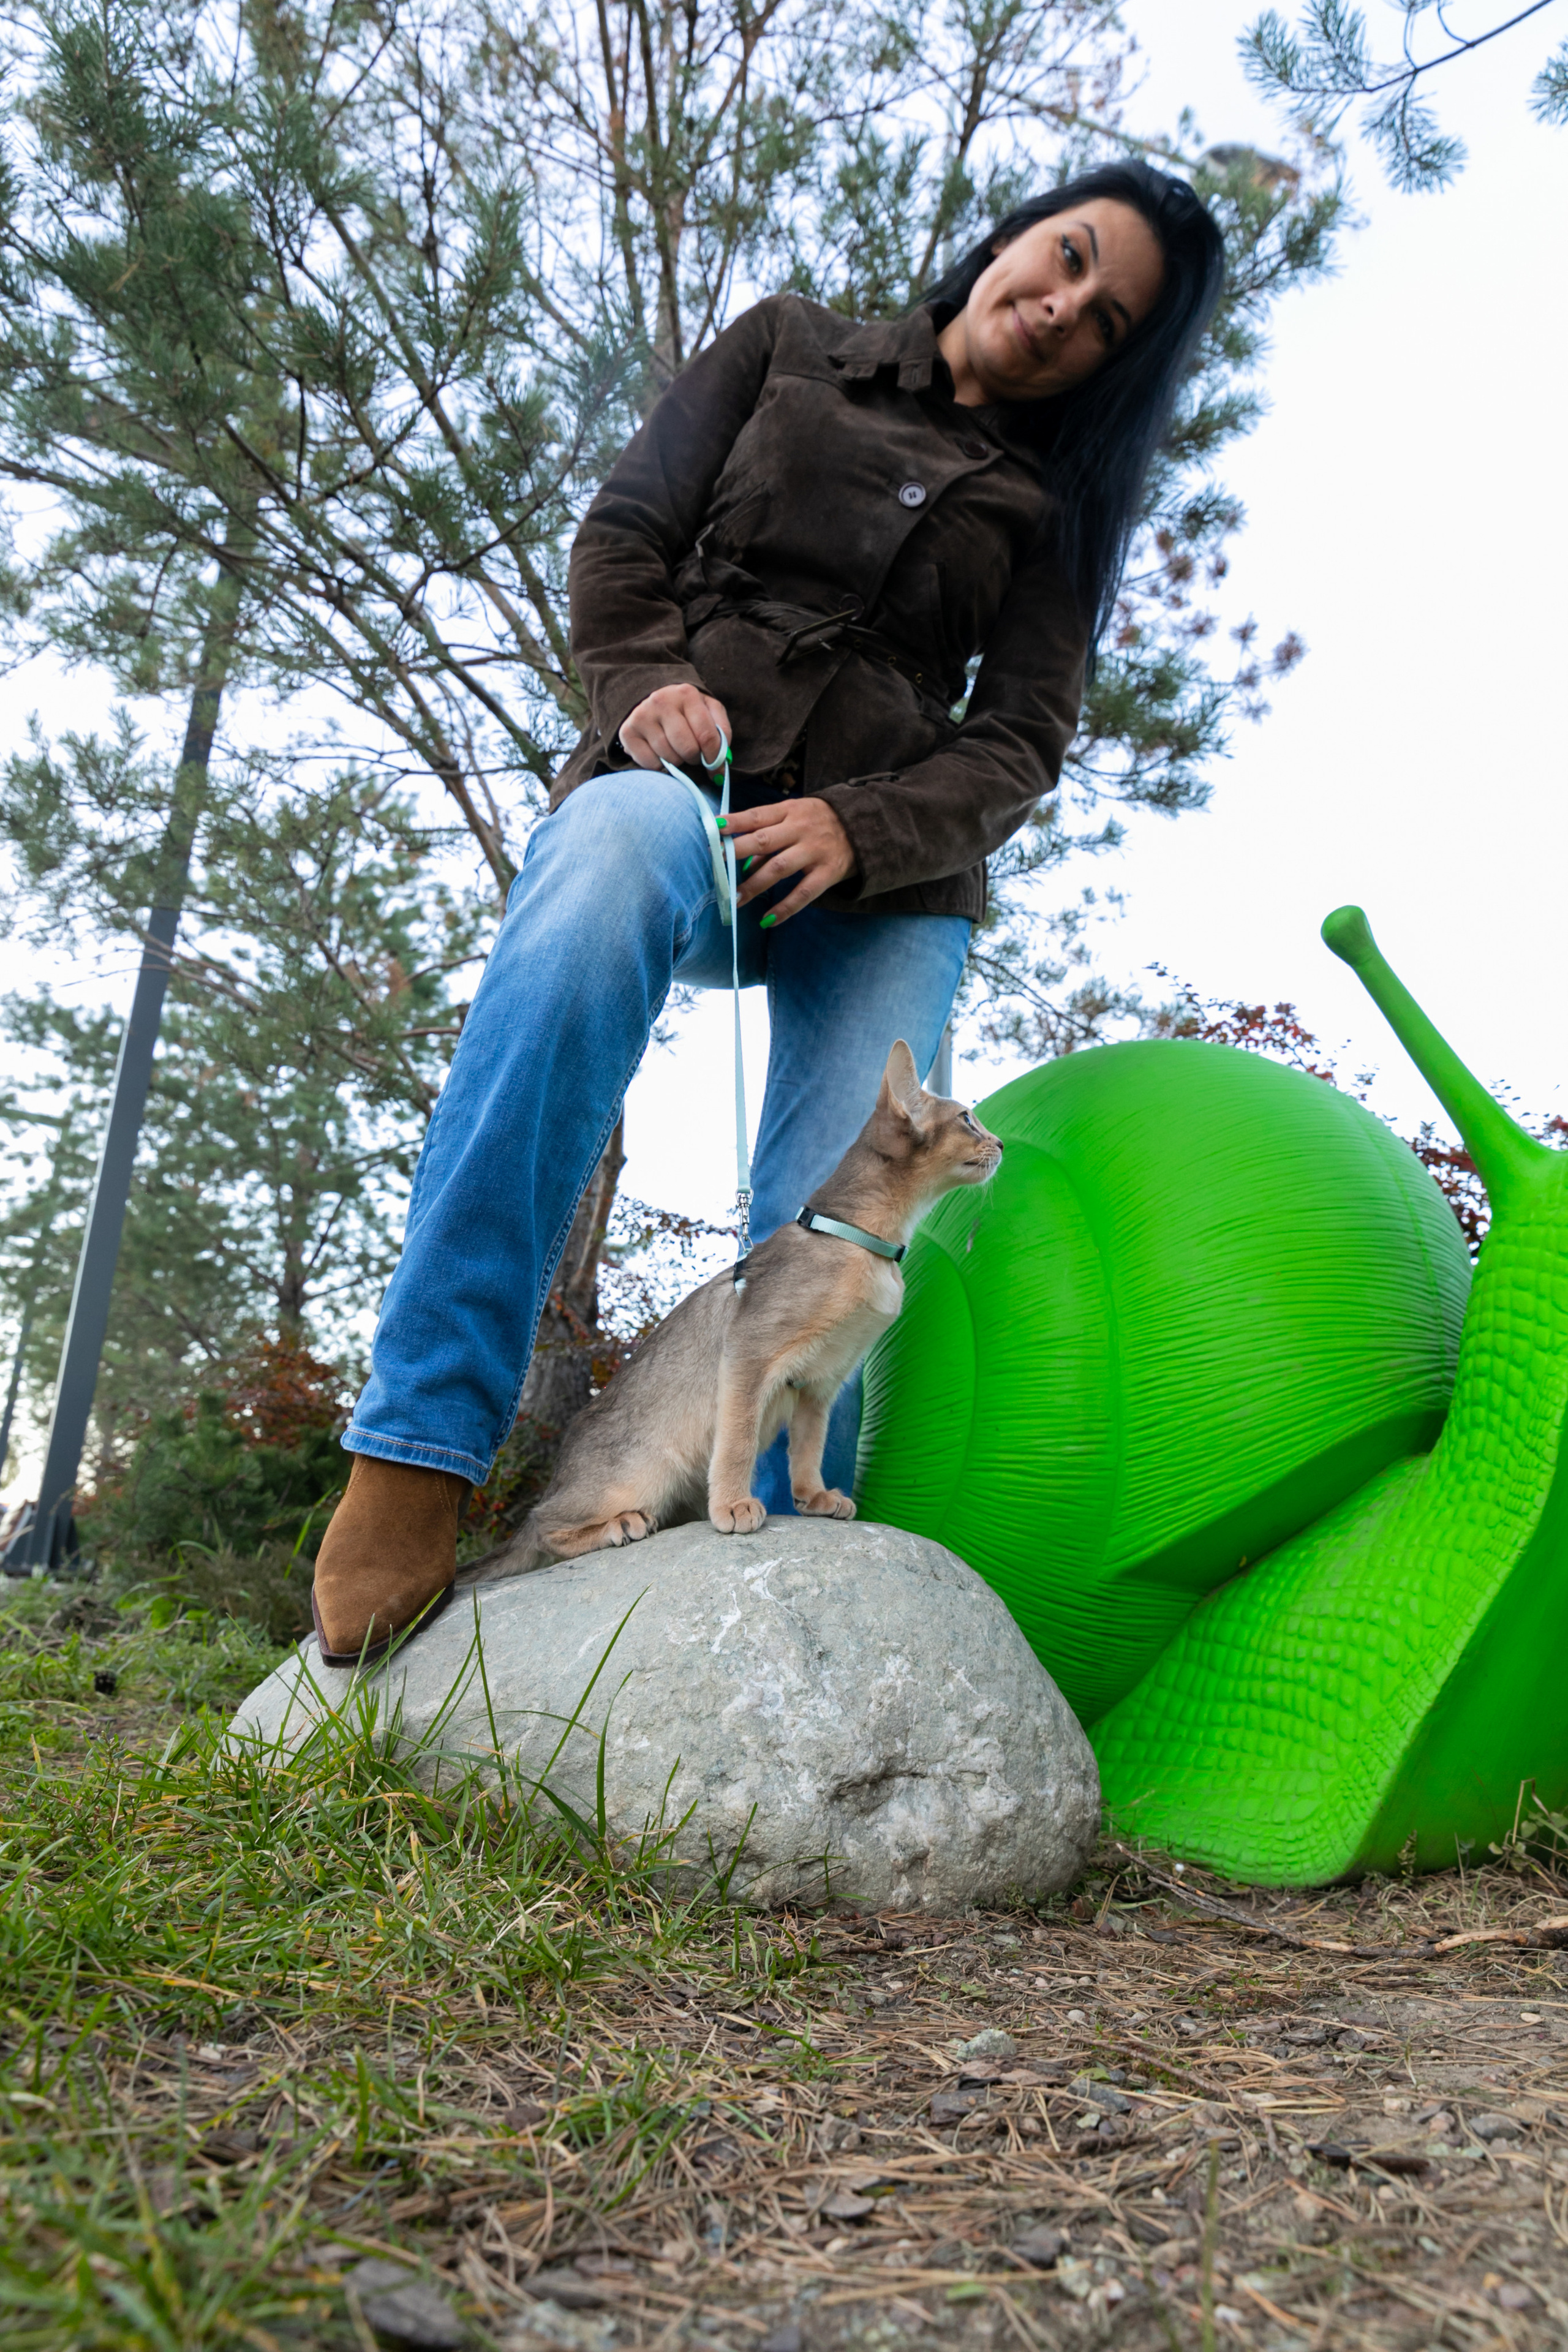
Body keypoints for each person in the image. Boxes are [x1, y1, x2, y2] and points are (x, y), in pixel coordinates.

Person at [310, 160, 1227, 1665]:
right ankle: (414, 1447)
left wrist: (863, 828)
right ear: (1008, 237)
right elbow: (623, 533)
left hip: (886, 875)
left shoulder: (1055, 507)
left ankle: (774, 1561)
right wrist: (642, 685)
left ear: (1109, 363)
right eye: (1061, 257)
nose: (1058, 307)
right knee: (597, 869)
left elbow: (1020, 742)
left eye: (1103, 317)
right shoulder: (789, 341)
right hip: (677, 786)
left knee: (844, 1221)